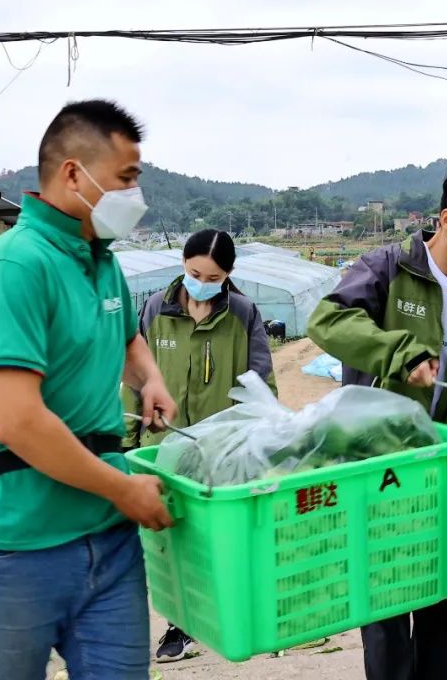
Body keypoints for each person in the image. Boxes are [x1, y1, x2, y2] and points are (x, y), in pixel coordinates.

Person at [0, 99, 177, 680]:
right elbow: (16, 421)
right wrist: (123, 489)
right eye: (126, 179)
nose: (134, 198)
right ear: (74, 173)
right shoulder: (15, 267)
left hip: (107, 543)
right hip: (15, 547)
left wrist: (150, 379)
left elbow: (126, 336)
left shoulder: (101, 261)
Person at [308, 161, 447, 680]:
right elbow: (327, 320)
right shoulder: (387, 268)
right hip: (377, 477)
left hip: (441, 480)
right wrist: (396, 351)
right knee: (385, 623)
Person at [123, 228, 277, 662]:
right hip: (163, 447)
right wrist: (126, 442)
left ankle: (200, 622)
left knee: (209, 538)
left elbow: (261, 383)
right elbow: (132, 379)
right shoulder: (155, 308)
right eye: (194, 273)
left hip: (220, 448)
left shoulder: (243, 314)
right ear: (182, 265)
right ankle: (180, 621)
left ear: (228, 276)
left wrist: (260, 440)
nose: (202, 284)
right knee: (167, 538)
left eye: (213, 278)